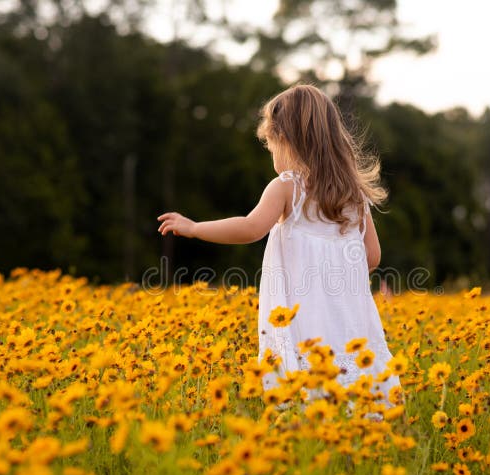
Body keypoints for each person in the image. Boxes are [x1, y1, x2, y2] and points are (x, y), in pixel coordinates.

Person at [157, 84, 401, 409]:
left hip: (303, 320)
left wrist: (196, 228)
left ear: (287, 140)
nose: (272, 154)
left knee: (305, 397)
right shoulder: (355, 195)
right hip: (348, 322)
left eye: (271, 146)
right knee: (354, 395)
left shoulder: (287, 187)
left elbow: (250, 227)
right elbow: (372, 256)